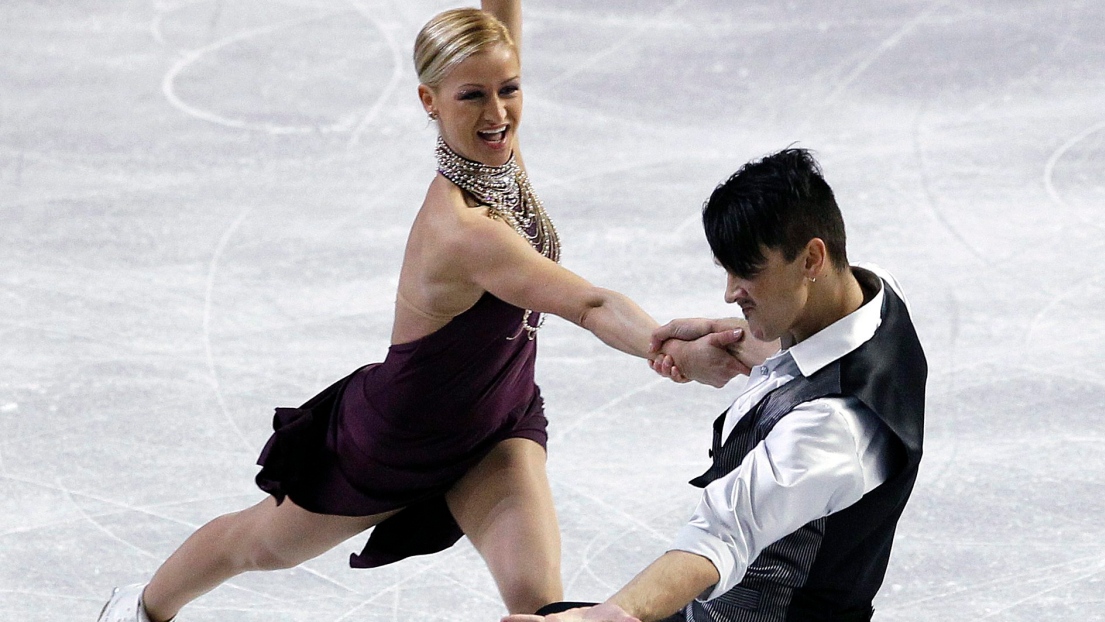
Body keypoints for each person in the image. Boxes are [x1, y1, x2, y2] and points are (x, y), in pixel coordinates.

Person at [96, 2, 671, 620]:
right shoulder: (462, 228)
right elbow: (590, 304)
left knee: (539, 606)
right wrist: (668, 343)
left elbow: (499, 34)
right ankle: (139, 609)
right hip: (401, 439)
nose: (498, 112)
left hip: (496, 425)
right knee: (260, 545)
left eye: (510, 89)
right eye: (472, 95)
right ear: (430, 101)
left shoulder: (497, 154)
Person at [507, 148, 927, 622]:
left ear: (811, 258)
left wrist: (605, 617)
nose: (731, 291)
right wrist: (726, 337)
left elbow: (721, 535)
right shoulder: (876, 297)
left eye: (747, 272)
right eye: (726, 270)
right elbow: (820, 351)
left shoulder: (830, 428)